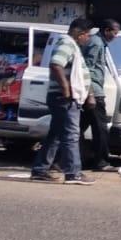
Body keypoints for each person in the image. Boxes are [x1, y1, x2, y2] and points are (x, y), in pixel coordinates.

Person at [31, 17, 95, 184]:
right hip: (64, 98)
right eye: (87, 35)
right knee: (71, 135)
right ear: (80, 33)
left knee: (56, 135)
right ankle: (73, 173)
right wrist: (66, 88)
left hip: (65, 97)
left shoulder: (72, 45)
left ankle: (40, 169)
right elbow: (56, 64)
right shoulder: (67, 43)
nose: (88, 38)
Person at [79, 17, 121, 172]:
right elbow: (88, 69)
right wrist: (91, 93)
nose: (115, 36)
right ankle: (101, 162)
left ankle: (69, 159)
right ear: (106, 30)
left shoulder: (97, 42)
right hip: (94, 92)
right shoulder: (96, 43)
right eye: (114, 33)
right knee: (100, 129)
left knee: (78, 128)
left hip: (90, 91)